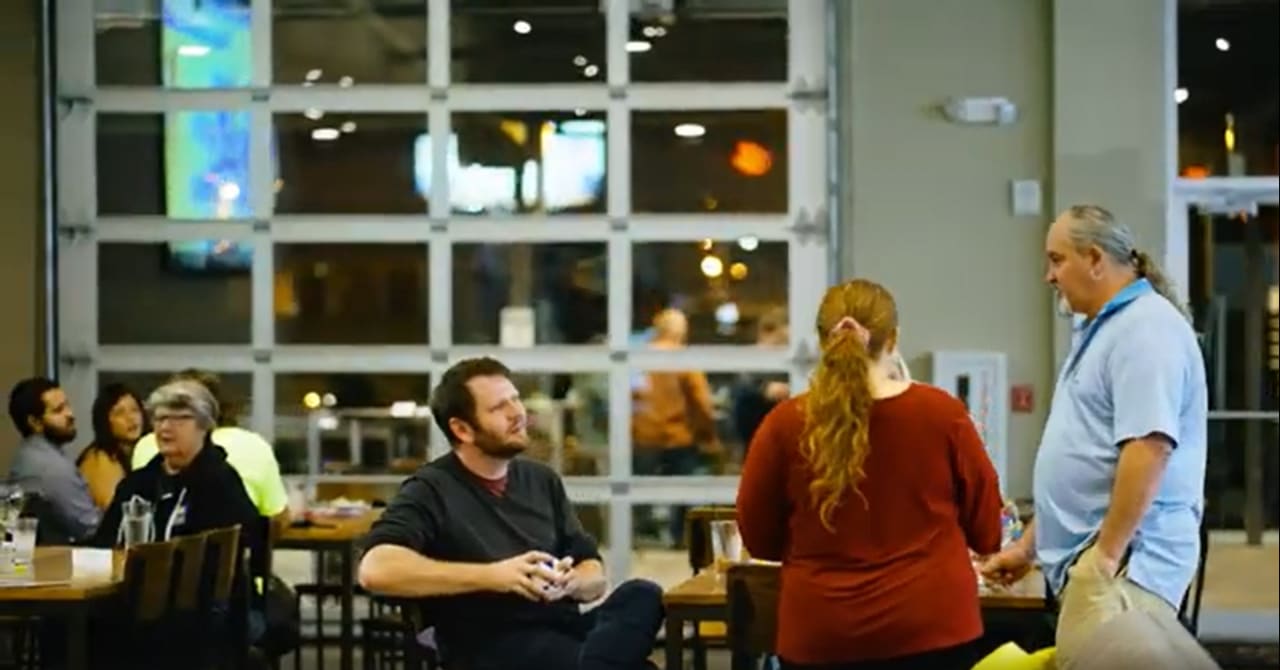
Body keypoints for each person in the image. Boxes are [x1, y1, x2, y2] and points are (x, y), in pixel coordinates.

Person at [981, 205, 1219, 669]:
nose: (1049, 276)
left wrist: (1104, 559)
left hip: (1126, 571)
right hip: (1101, 569)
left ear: (1094, 259)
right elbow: (1087, 455)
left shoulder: (1146, 329)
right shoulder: (1106, 329)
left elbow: (1149, 449)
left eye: (1057, 259)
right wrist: (1029, 547)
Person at [737, 279, 1004, 670]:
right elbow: (987, 532)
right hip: (932, 628)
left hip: (821, 632)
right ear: (893, 339)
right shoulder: (942, 414)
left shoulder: (784, 423)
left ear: (821, 341)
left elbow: (758, 540)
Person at [358, 357, 664, 670]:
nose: (517, 413)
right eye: (498, 408)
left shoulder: (542, 480)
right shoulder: (431, 488)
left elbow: (593, 576)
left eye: (515, 399)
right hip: (490, 643)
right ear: (462, 429)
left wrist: (569, 583)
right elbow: (375, 570)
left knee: (643, 594)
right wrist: (496, 576)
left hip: (563, 629)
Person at [93, 379, 261, 555]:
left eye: (179, 418)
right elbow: (102, 547)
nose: (165, 427)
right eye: (160, 418)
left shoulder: (221, 483)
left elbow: (244, 549)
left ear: (204, 426)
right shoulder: (136, 485)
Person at [132, 369, 289, 525]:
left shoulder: (149, 444)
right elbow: (278, 517)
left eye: (182, 417)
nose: (167, 427)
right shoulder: (253, 445)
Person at [7, 377, 100, 544]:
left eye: (67, 405)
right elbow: (89, 528)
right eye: (58, 410)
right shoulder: (50, 467)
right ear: (35, 422)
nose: (70, 414)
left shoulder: (31, 454)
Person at [77, 384, 146, 510]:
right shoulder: (102, 459)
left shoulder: (140, 452)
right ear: (104, 421)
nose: (131, 418)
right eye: (119, 413)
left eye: (135, 410)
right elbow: (114, 513)